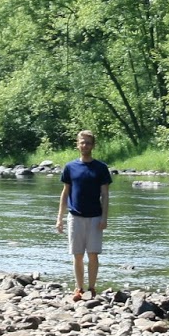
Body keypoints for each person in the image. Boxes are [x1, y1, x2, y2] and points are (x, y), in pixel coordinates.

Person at [56, 129, 110, 301]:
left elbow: (105, 194)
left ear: (93, 145)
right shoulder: (70, 167)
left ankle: (92, 288)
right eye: (82, 142)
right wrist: (60, 218)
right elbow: (65, 193)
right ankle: (79, 288)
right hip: (75, 216)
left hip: (95, 217)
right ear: (77, 145)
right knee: (77, 254)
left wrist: (104, 218)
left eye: (88, 142)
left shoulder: (101, 168)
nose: (85, 145)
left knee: (93, 254)